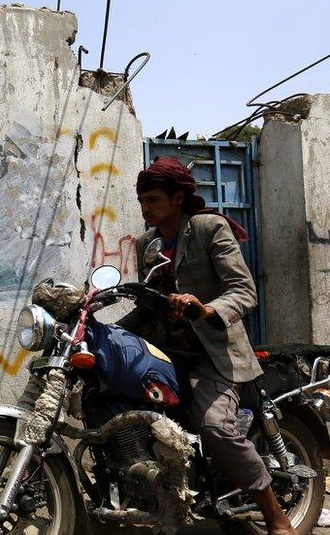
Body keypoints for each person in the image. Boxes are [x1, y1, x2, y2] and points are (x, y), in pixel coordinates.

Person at [117, 157, 297, 535]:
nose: (145, 209)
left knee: (215, 427)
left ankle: (275, 516)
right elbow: (148, 305)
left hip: (213, 355)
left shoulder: (208, 228)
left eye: (152, 200)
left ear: (178, 198)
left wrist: (207, 307)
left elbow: (244, 291)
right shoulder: (147, 243)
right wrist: (100, 329)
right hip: (166, 354)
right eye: (141, 201)